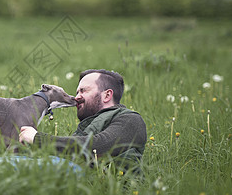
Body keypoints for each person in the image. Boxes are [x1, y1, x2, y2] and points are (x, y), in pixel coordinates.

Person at [19, 69, 147, 173]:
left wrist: (38, 139)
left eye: (83, 90)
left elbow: (98, 146)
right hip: (67, 175)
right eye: (77, 92)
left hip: (90, 183)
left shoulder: (130, 119)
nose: (77, 97)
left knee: (4, 165)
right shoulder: (88, 125)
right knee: (5, 162)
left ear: (107, 95)